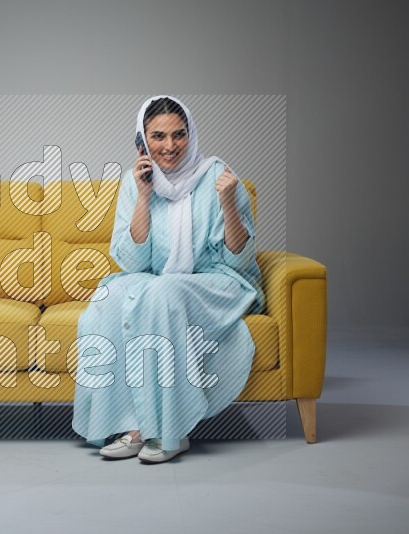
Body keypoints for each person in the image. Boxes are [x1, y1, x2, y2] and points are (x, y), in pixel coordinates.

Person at [71, 95, 266, 463]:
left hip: (216, 281)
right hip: (159, 279)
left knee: (160, 292)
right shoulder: (135, 182)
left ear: (191, 134)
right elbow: (133, 262)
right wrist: (144, 197)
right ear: (142, 140)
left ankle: (170, 431)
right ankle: (134, 424)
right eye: (158, 136)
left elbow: (238, 259)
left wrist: (227, 202)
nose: (170, 146)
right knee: (111, 297)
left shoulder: (218, 176)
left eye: (179, 135)